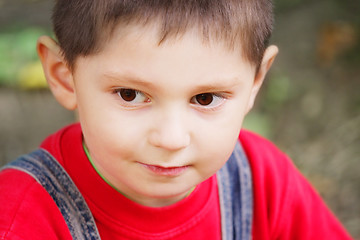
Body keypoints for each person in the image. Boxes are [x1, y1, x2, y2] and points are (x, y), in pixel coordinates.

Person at [0, 0, 352, 239]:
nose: (171, 139)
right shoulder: (19, 218)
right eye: (130, 94)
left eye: (205, 99)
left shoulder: (261, 181)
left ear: (255, 84)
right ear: (65, 77)